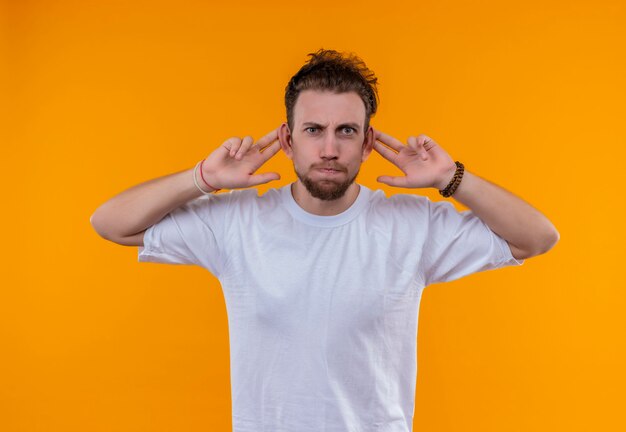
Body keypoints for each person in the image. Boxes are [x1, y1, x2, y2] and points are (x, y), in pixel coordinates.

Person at [91, 49, 559, 432]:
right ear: (288, 140)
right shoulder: (237, 223)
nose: (330, 149)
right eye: (314, 130)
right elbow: (112, 223)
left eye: (346, 131)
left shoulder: (412, 225)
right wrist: (203, 179)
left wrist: (451, 178)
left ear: (368, 142)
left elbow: (537, 237)